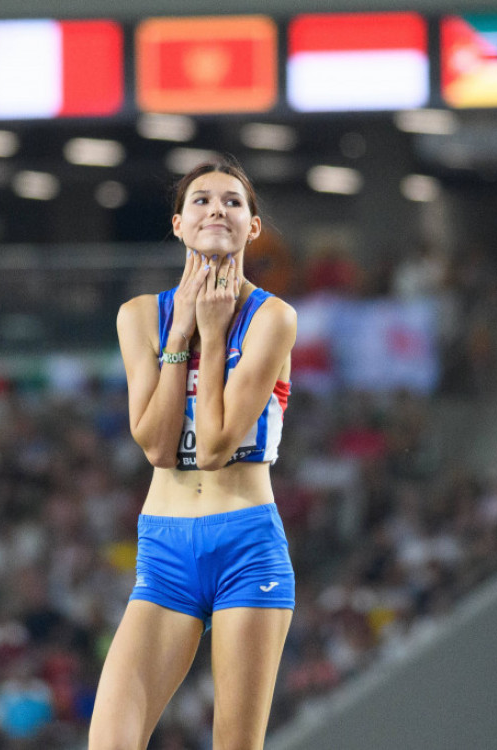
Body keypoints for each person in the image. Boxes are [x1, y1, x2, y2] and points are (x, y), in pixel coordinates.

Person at [88, 158, 298, 750]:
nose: (217, 210)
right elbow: (157, 445)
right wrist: (179, 333)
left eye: (233, 202)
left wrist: (209, 334)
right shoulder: (140, 316)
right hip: (165, 549)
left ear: (252, 227)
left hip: (246, 547)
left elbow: (212, 449)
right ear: (179, 225)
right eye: (202, 201)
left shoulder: (273, 318)